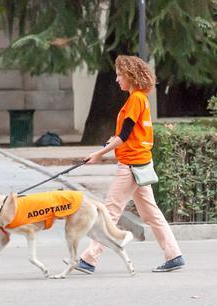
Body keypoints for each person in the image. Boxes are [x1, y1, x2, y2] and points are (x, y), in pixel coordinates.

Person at [76, 55, 185, 273]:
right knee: (151, 213)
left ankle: (89, 259)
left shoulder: (136, 99)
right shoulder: (139, 99)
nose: (116, 79)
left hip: (132, 166)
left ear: (130, 76)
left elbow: (124, 136)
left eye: (118, 75)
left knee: (109, 211)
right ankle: (174, 255)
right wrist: (108, 145)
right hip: (139, 163)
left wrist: (99, 154)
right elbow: (127, 134)